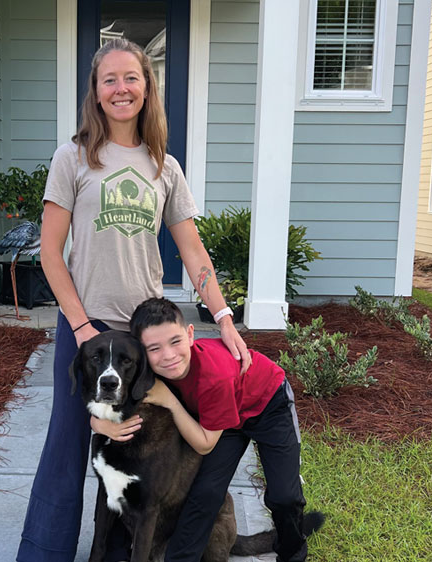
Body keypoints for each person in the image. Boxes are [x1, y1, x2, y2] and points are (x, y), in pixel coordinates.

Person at [16, 38, 251, 562]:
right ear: (96, 94)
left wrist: (224, 316)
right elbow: (51, 254)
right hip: (88, 326)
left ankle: (128, 548)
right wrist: (81, 329)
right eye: (109, 80)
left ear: (147, 89)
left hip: (145, 339)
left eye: (132, 78)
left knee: (140, 446)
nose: (121, 89)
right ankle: (42, 552)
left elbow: (193, 251)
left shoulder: (163, 166)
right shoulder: (72, 157)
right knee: (69, 446)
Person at [94, 297, 309, 562]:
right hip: (220, 420)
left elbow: (205, 443)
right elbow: (110, 405)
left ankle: (293, 553)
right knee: (204, 493)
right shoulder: (151, 371)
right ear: (142, 352)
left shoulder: (213, 375)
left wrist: (169, 400)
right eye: (155, 348)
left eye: (175, 341)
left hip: (267, 404)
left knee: (284, 497)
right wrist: (98, 424)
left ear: (190, 334)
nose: (169, 356)